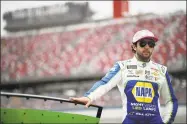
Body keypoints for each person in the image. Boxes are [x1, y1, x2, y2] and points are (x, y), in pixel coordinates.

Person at [70, 29, 178, 124]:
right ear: (134, 47)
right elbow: (104, 83)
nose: (147, 47)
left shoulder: (161, 70)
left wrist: (167, 121)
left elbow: (171, 101)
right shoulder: (122, 67)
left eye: (151, 44)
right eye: (143, 43)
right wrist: (89, 97)